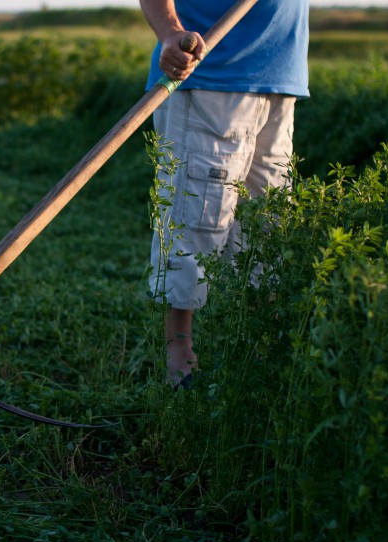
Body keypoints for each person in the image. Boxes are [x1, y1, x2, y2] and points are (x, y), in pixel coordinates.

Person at [139, 0, 309, 388]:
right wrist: (169, 32)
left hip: (280, 74)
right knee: (193, 218)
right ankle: (179, 356)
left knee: (268, 224)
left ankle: (259, 355)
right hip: (210, 75)